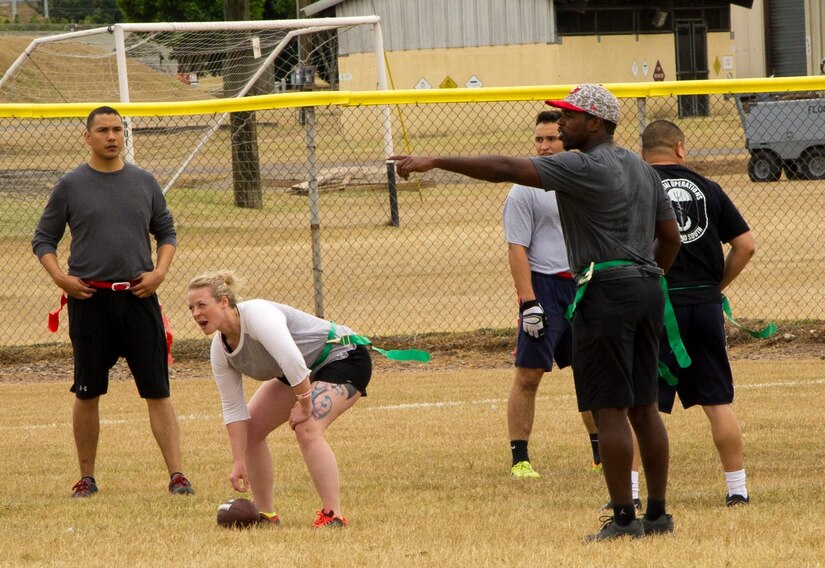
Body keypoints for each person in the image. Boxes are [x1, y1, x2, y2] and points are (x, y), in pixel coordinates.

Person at [392, 84, 682, 541]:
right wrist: (648, 276)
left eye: (569, 115)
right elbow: (672, 239)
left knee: (610, 409)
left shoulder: (582, 164)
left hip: (604, 292)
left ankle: (625, 520)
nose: (560, 122)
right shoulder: (642, 170)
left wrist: (436, 160)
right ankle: (659, 515)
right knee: (645, 407)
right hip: (648, 288)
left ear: (596, 123)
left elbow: (505, 167)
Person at [31, 106, 193, 498]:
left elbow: (166, 232)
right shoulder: (70, 185)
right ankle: (86, 477)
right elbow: (43, 239)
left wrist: (159, 273)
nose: (111, 136)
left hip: (139, 298)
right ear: (86, 137)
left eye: (117, 129)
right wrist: (61, 278)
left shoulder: (144, 182)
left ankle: (177, 476)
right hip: (90, 301)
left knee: (158, 390)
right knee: (87, 391)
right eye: (102, 130)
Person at [186, 270, 371, 528]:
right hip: (299, 371)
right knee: (251, 430)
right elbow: (233, 408)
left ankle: (333, 516)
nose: (196, 313)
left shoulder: (258, 315)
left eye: (202, 305)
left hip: (341, 356)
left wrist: (305, 406)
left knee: (307, 427)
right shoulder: (220, 350)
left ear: (224, 302)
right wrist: (239, 460)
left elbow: (293, 362)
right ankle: (267, 515)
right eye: (191, 308)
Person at [642, 119, 755, 507]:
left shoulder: (637, 187)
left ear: (643, 154)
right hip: (704, 306)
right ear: (680, 148)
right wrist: (714, 288)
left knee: (645, 405)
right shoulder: (709, 188)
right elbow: (746, 245)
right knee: (717, 401)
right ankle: (737, 489)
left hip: (657, 305)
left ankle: (635, 493)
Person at [503, 110, 605, 478]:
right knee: (528, 376)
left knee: (592, 374)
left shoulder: (586, 179)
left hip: (584, 284)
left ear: (568, 139)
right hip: (544, 287)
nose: (544, 147)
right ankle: (521, 460)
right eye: (538, 140)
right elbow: (517, 249)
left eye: (551, 139)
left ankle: (601, 455)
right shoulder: (523, 189)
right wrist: (530, 303)